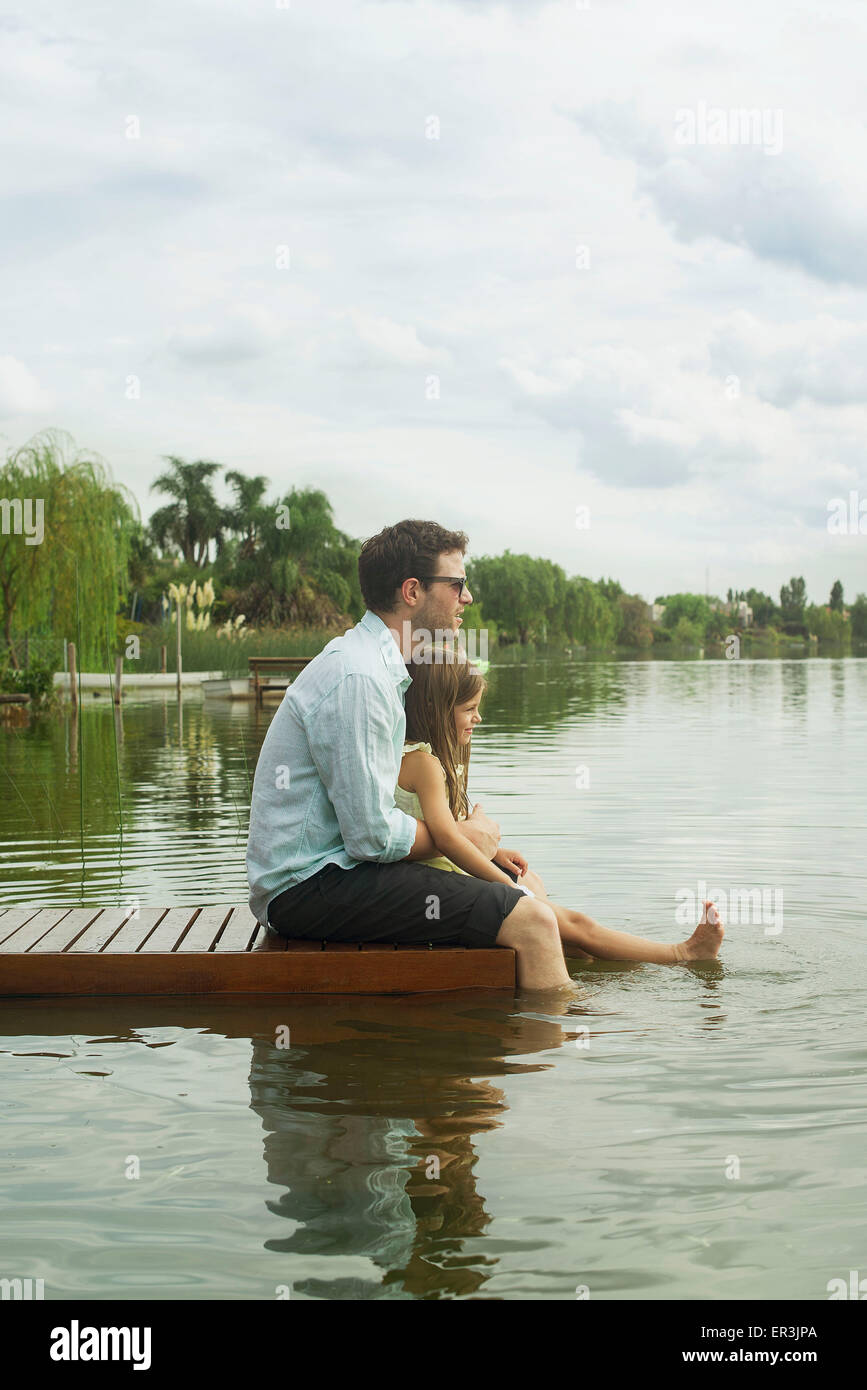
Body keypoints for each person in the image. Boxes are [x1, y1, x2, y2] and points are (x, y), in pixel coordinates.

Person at [246, 520, 573, 991]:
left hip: (334, 873)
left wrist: (474, 845)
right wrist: (459, 836)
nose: (468, 597)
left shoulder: (376, 665)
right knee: (532, 922)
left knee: (517, 886)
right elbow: (372, 837)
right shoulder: (360, 677)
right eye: (457, 584)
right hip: (307, 888)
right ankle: (560, 1043)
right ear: (413, 591)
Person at [396, 650, 724, 963]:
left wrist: (496, 854)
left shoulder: (429, 759)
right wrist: (505, 885)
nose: (478, 718)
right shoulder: (423, 762)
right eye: (469, 709)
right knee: (571, 921)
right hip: (438, 887)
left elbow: (449, 826)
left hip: (447, 873)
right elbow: (447, 839)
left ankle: (591, 956)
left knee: (537, 888)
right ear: (434, 708)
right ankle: (683, 955)